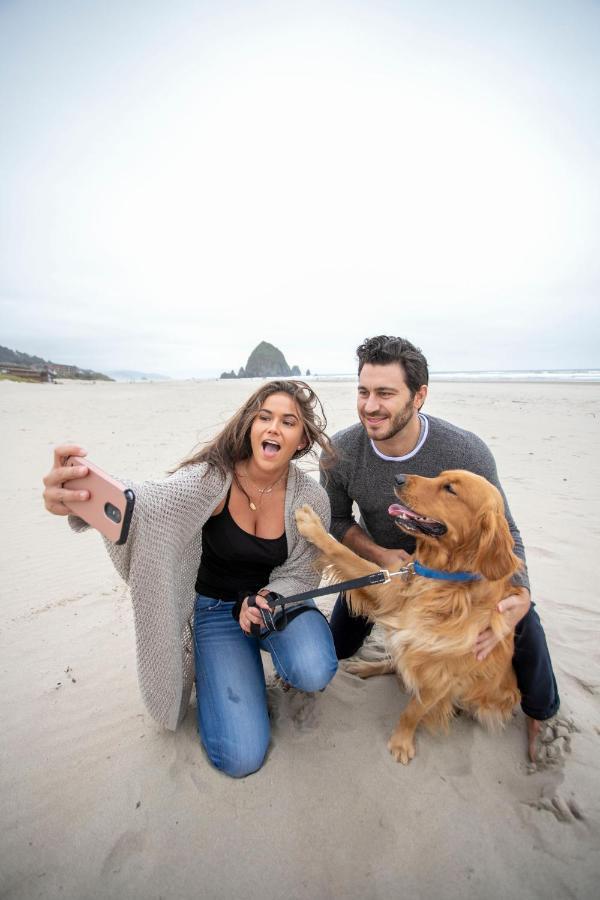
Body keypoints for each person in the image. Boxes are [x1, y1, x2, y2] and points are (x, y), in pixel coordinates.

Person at [43, 380, 338, 778]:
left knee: (314, 668)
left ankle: (264, 654)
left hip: (274, 606)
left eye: (288, 422)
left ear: (301, 440)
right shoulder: (212, 478)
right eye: (264, 417)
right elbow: (152, 502)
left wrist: (269, 597)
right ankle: (224, 665)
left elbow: (305, 569)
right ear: (250, 426)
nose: (273, 428)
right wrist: (83, 497)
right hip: (214, 611)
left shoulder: (310, 498)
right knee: (241, 757)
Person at [322, 335, 559, 761]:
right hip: (390, 569)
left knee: (521, 620)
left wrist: (520, 592)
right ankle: (396, 658)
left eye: (385, 393)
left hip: (456, 574)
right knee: (335, 649)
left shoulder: (464, 450)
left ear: (419, 396)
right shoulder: (340, 452)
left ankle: (541, 713)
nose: (371, 405)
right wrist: (379, 553)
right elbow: (337, 521)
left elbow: (508, 532)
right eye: (364, 391)